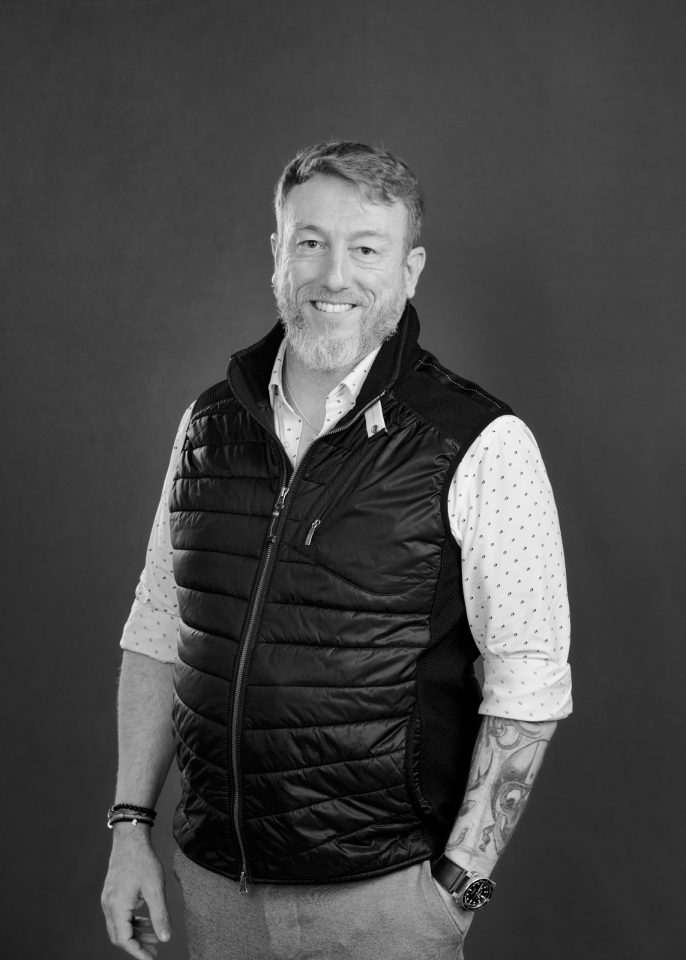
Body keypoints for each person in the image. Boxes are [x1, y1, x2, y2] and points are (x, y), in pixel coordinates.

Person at [101, 140, 572, 960]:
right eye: (311, 242)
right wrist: (129, 826)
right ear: (276, 252)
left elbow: (528, 682)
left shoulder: (481, 443)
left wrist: (459, 884)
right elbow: (157, 632)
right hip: (213, 888)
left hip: (386, 904)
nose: (334, 275)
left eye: (366, 250)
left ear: (410, 270)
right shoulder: (207, 427)